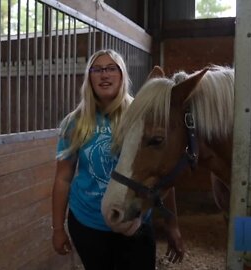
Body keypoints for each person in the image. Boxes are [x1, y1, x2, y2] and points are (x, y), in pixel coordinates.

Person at [51, 49, 184, 270]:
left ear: (122, 75)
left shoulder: (142, 118)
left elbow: (161, 174)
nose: (104, 75)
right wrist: (57, 228)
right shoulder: (74, 123)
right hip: (88, 222)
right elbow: (63, 178)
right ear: (89, 78)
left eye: (111, 68)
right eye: (97, 69)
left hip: (135, 222)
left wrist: (172, 225)